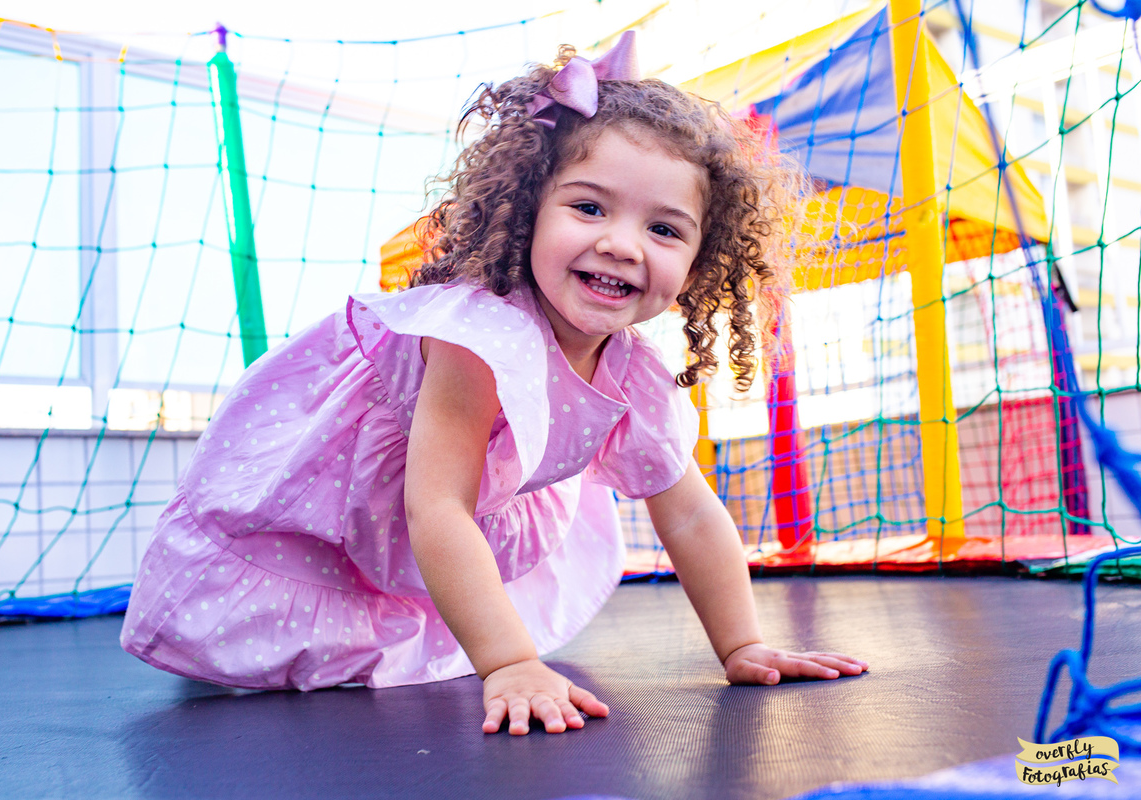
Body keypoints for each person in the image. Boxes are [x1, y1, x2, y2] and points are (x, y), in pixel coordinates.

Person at [120, 31, 867, 736]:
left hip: (437, 522)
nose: (620, 242)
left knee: (383, 661)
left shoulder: (635, 376)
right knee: (273, 671)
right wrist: (510, 663)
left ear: (700, 264)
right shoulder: (477, 333)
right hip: (344, 498)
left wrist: (742, 645)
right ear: (527, 211)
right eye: (588, 207)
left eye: (664, 229)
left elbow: (691, 516)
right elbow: (438, 506)